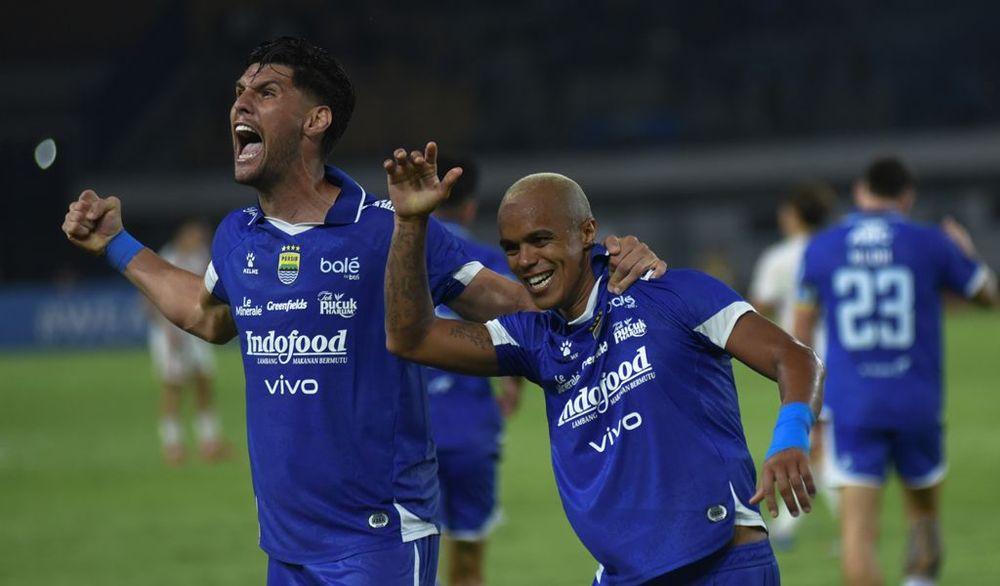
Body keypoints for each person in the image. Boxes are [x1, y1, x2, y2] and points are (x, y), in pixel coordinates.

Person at [60, 37, 664, 586]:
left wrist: (612, 261)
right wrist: (117, 244)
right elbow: (208, 314)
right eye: (238, 92)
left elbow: (521, 297)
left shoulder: (388, 227)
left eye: (265, 92)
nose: (240, 105)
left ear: (316, 121)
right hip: (285, 547)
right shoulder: (237, 236)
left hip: (376, 541)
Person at [381, 146, 826, 585]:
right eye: (512, 248)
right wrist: (411, 222)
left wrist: (790, 437)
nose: (525, 261)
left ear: (586, 230)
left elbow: (794, 357)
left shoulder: (671, 293)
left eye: (540, 240)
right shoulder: (533, 339)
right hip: (623, 576)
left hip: (721, 565)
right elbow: (412, 338)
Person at [793, 157, 997, 586]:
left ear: (860, 192)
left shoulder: (822, 247)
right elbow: (986, 296)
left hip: (853, 404)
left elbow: (800, 334)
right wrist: (966, 251)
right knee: (923, 517)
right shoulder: (930, 242)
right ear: (907, 197)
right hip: (916, 401)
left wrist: (805, 412)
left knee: (857, 536)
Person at [426, 156, 522, 586]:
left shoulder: (389, 261)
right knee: (467, 562)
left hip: (400, 434)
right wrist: (513, 383)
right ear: (470, 206)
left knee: (389, 562)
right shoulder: (488, 264)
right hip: (468, 431)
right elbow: (521, 326)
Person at [748, 181, 837, 547]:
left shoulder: (779, 258)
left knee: (815, 444)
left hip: (798, 365)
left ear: (795, 215)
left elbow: (754, 310)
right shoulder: (836, 251)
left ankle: (839, 526)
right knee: (821, 444)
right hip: (842, 361)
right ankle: (788, 526)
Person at [146, 219, 229, 465]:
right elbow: (151, 298)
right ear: (182, 236)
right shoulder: (167, 257)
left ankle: (209, 441)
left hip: (196, 330)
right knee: (173, 386)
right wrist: (167, 328)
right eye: (195, 236)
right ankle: (172, 445)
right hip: (169, 333)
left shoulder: (201, 256)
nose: (199, 241)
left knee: (204, 381)